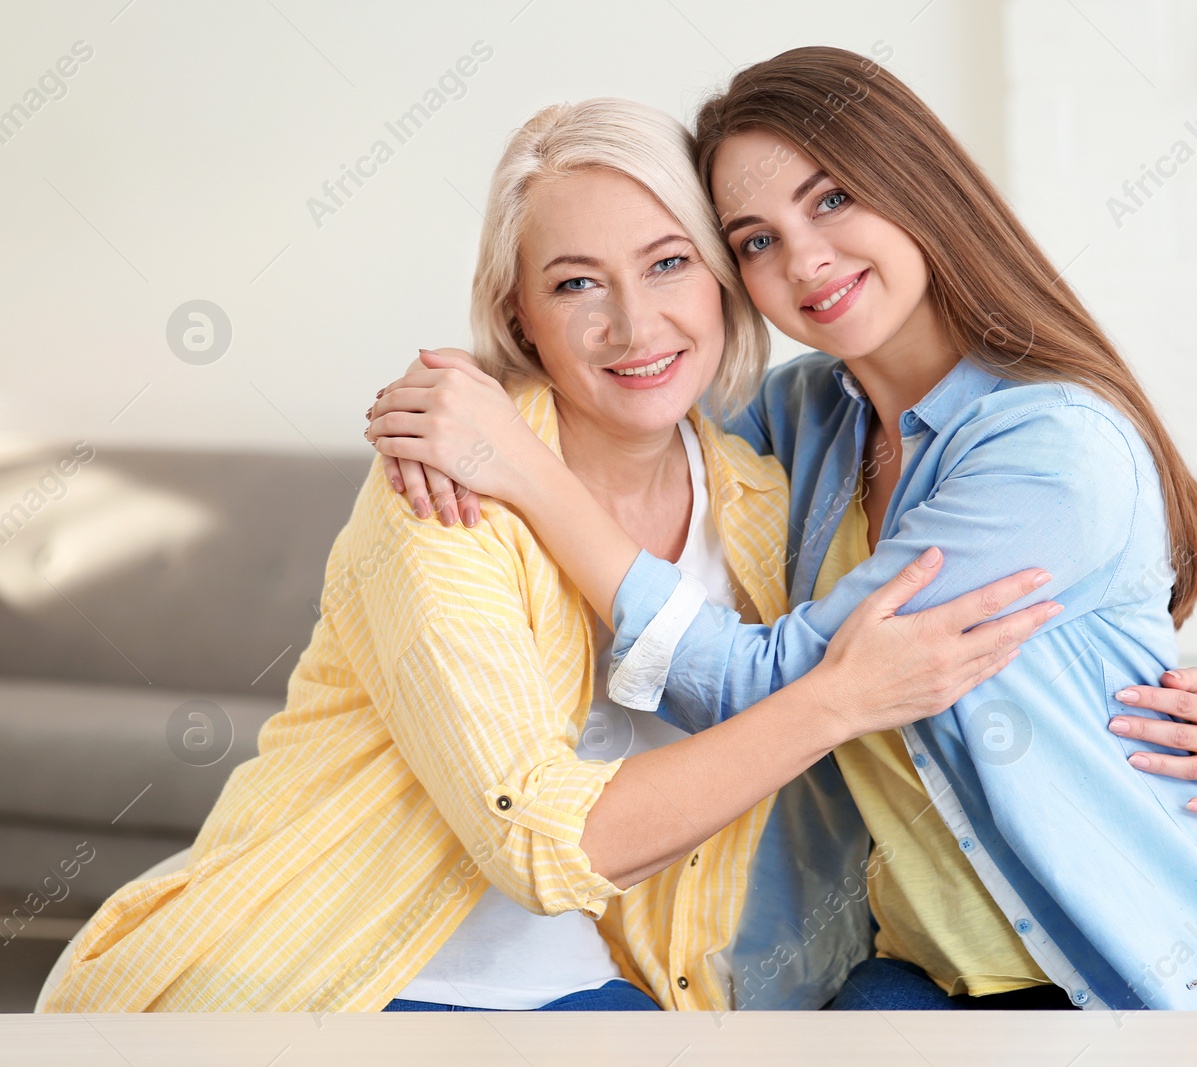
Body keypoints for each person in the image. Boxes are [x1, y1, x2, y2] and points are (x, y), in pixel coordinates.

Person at [40, 98, 1063, 1015]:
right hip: (329, 971)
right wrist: (835, 698)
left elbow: (925, 653)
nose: (634, 323)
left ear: (722, 282)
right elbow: (536, 837)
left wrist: (1165, 700)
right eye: (576, 283)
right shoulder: (441, 491)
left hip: (602, 974)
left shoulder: (763, 489)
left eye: (668, 263)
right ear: (516, 315)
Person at [367, 50, 1197, 1011]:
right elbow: (624, 427)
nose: (804, 260)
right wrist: (456, 410)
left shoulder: (1052, 449)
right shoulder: (801, 417)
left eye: (832, 200)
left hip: (1137, 981)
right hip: (919, 975)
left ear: (918, 189)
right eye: (756, 239)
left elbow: (768, 687)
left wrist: (517, 469)